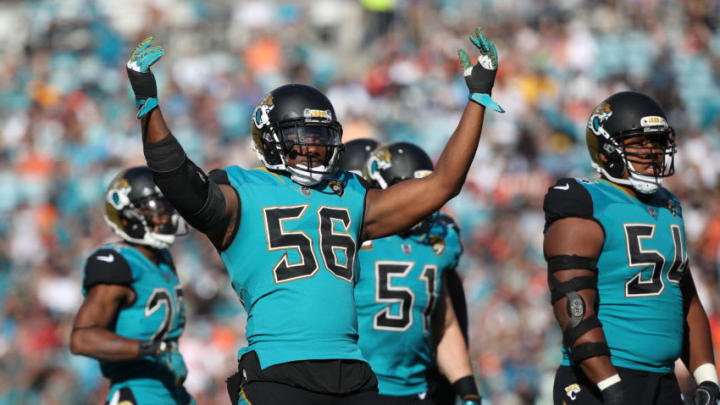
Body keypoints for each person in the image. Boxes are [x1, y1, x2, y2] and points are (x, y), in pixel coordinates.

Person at [124, 26, 502, 404]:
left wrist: (477, 99)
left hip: (352, 372)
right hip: (278, 369)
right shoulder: (242, 190)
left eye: (321, 139)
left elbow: (443, 184)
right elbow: (179, 181)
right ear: (270, 138)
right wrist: (149, 105)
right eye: (301, 139)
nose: (314, 150)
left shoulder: (350, 192)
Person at [542, 91, 720, 405]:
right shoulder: (585, 201)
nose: (653, 153)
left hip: (662, 380)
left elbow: (684, 298)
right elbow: (573, 307)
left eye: (658, 143)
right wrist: (610, 385)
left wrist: (708, 379)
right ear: (608, 150)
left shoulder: (669, 205)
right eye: (640, 144)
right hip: (599, 379)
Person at [344, 141, 481, 405]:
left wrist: (467, 388)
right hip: (356, 385)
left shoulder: (438, 240)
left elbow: (444, 321)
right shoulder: (352, 234)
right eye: (410, 188)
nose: (421, 199)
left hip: (416, 387)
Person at [70, 166, 193, 405]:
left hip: (173, 391)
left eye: (165, 205)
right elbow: (82, 338)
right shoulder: (117, 262)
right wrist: (151, 349)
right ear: (128, 216)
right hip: (137, 392)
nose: (165, 214)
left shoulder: (163, 258)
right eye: (154, 208)